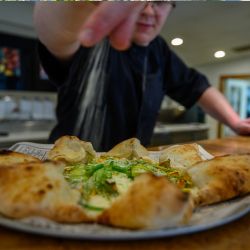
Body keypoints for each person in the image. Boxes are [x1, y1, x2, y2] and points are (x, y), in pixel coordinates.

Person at [34, 1, 250, 151]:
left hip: (132, 171)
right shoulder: (92, 34)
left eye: (160, 1)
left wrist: (235, 121)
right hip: (67, 167)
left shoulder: (159, 49)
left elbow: (197, 86)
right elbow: (55, 30)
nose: (147, 10)